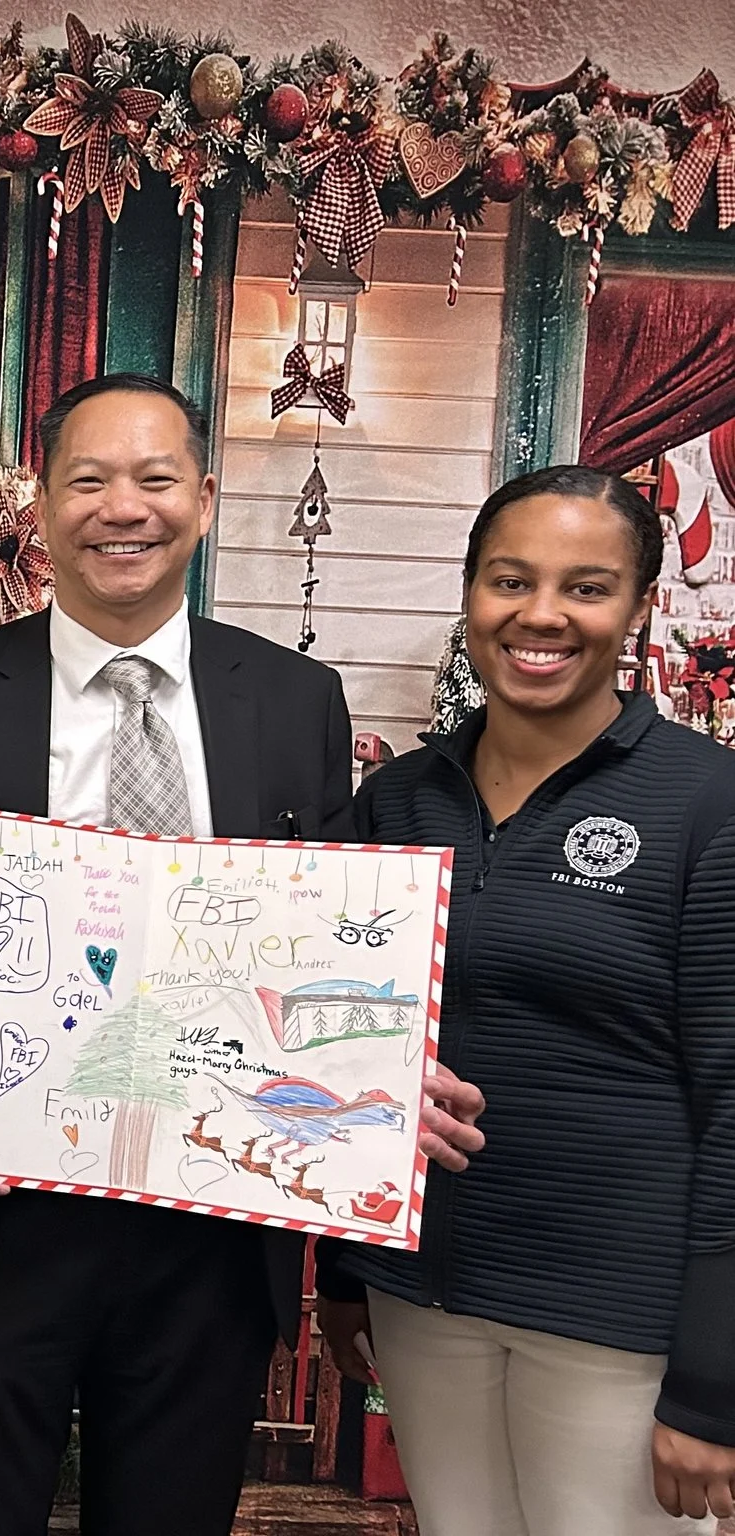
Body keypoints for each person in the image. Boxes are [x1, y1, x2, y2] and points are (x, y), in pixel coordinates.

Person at [0, 373, 485, 1536]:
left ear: (204, 500)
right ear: (42, 507)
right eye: (87, 479)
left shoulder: (295, 702)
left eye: (154, 477)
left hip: (211, 1235)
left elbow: (324, 937)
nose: (120, 507)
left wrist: (374, 1083)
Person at [315, 465, 735, 1534]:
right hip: (424, 1301)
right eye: (509, 580)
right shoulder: (397, 802)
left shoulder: (705, 802)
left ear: (639, 606)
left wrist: (713, 1377)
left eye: (586, 587)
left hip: (617, 1319)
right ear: (469, 597)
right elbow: (344, 1047)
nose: (540, 615)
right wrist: (345, 1276)